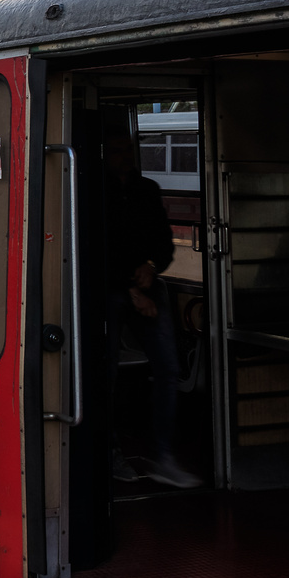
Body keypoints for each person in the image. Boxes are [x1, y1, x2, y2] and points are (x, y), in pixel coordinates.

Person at [102, 131, 202, 489]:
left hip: (146, 284)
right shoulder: (95, 190)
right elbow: (97, 245)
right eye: (117, 150)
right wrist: (131, 289)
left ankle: (163, 456)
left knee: (168, 368)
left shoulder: (147, 189)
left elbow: (162, 240)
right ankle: (109, 453)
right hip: (109, 288)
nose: (125, 156)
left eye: (128, 149)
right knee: (105, 374)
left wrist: (151, 265)